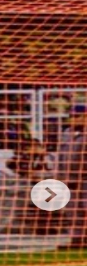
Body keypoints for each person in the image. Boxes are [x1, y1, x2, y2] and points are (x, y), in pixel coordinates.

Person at [55, 103, 87, 251]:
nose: (72, 119)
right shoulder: (67, 133)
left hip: (84, 178)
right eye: (71, 116)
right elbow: (60, 156)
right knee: (73, 212)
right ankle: (77, 239)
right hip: (68, 179)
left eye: (77, 116)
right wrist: (58, 177)